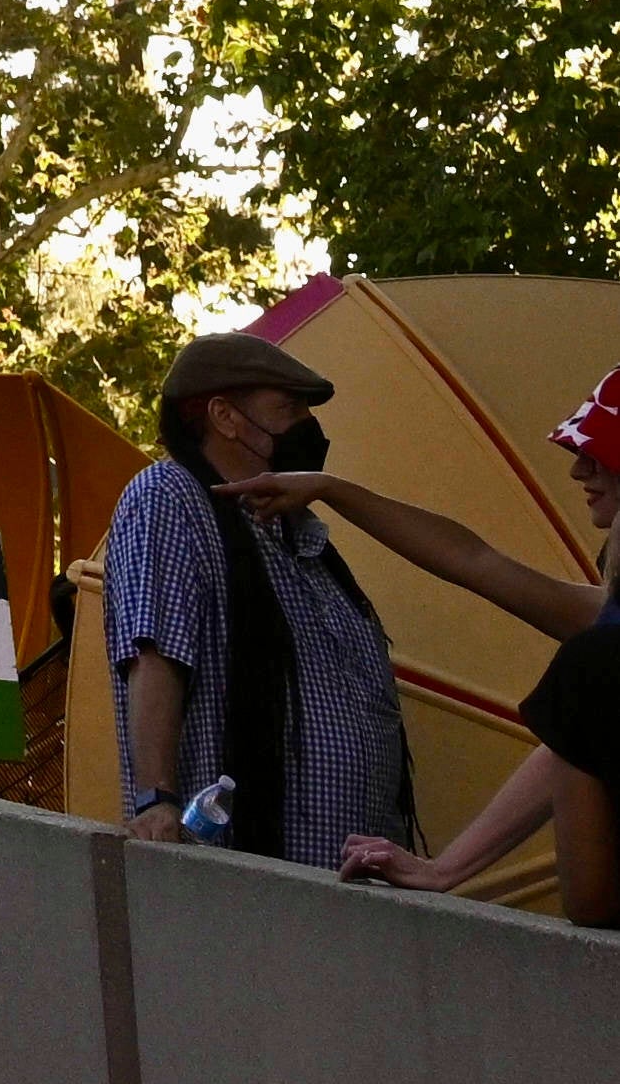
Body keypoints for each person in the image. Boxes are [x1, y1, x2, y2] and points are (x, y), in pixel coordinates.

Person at [237, 365, 620, 922]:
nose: (578, 467)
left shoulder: (597, 658)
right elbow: (474, 562)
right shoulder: (605, 640)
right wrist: (331, 489)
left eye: (601, 452)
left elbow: (577, 712)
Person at [101, 327, 416, 871]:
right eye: (288, 407)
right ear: (225, 417)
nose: (308, 428)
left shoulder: (301, 536)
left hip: (347, 885)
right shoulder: (171, 497)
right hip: (248, 879)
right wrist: (157, 800)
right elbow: (155, 652)